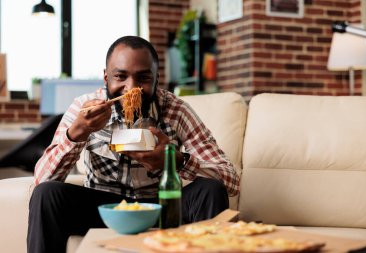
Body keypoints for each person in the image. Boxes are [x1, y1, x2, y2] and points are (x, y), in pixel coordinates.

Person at [27, 36, 240, 253]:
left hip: (160, 207)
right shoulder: (84, 108)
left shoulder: (176, 110)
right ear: (105, 77)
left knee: (210, 189)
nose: (131, 88)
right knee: (47, 193)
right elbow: (41, 181)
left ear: (157, 78)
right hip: (103, 208)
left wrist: (176, 160)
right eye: (120, 76)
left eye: (143, 78)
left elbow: (231, 181)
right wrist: (76, 133)